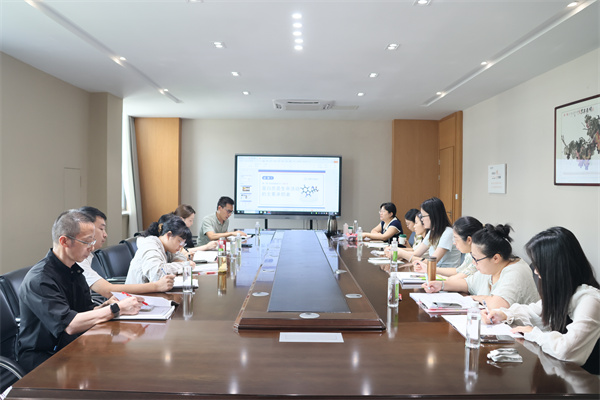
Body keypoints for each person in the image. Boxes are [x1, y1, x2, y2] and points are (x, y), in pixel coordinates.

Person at [17, 210, 142, 373]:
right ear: (64, 241)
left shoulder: (74, 270)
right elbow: (70, 324)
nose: (92, 248)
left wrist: (105, 306)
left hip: (71, 345)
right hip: (43, 359)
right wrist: (116, 309)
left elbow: (84, 311)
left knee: (123, 360)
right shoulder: (40, 279)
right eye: (87, 242)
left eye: (93, 241)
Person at [482, 227, 600, 374]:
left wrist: (534, 333)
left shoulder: (590, 300)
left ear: (554, 266)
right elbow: (534, 312)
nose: (536, 271)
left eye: (538, 265)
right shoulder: (565, 291)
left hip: (588, 381)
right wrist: (503, 314)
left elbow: (566, 350)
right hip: (564, 373)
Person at [422, 223, 540, 310]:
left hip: (523, 334)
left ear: (496, 258)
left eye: (476, 259)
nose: (474, 263)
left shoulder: (516, 271)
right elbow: (467, 283)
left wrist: (476, 297)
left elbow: (497, 305)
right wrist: (441, 285)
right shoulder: (492, 269)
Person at [78, 206, 175, 299]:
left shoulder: (87, 256)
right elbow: (107, 290)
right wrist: (156, 286)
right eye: (101, 229)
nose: (105, 234)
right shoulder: (78, 261)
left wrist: (103, 306)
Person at [125, 214, 195, 284]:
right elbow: (156, 274)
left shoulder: (168, 247)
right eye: (179, 241)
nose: (181, 246)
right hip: (139, 290)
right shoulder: (150, 245)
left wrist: (179, 262)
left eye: (183, 243)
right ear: (169, 235)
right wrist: (184, 265)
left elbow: (180, 256)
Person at [396, 197, 461, 268]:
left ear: (433, 216)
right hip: (433, 271)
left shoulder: (448, 233)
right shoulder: (431, 232)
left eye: (423, 216)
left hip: (443, 273)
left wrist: (402, 254)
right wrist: (396, 252)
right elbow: (416, 254)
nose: (422, 219)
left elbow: (432, 261)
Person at [416, 216, 483, 279]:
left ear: (469, 240)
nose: (454, 242)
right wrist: (430, 269)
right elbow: (459, 271)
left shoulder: (479, 257)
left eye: (456, 238)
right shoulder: (470, 254)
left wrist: (433, 274)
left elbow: (461, 277)